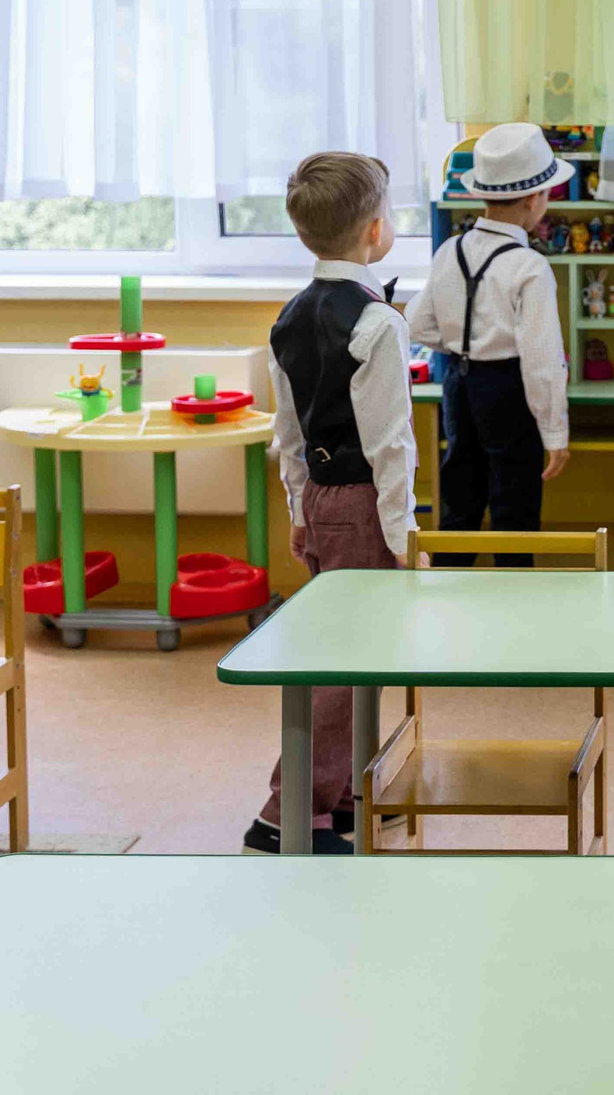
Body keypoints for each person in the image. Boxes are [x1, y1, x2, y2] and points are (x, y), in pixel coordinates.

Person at [246, 151, 417, 856]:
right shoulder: (377, 323)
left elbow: (286, 435)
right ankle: (287, 812)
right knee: (344, 667)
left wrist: (298, 512)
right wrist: (404, 537)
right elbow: (391, 444)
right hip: (364, 505)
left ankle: (345, 793)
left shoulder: (290, 316)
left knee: (353, 651)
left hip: (321, 499)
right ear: (375, 230)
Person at [408, 123, 573, 568]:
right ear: (534, 199)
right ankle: (513, 600)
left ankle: (446, 591)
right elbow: (542, 362)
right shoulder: (529, 267)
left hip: (459, 385)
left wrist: (461, 343)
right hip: (508, 390)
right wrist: (555, 433)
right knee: (513, 510)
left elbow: (418, 324)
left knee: (459, 503)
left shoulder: (450, 250)